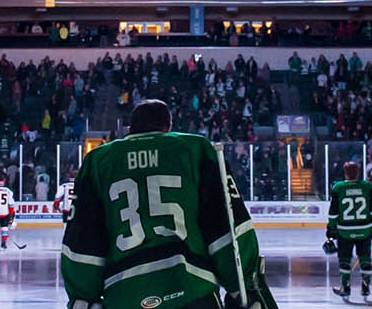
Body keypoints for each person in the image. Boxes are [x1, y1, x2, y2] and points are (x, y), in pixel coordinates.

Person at [61, 99, 277, 309]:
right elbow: (227, 226)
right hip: (193, 289)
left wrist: (84, 297)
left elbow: (83, 239)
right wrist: (242, 286)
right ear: (168, 126)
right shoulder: (195, 149)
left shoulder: (98, 161)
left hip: (124, 294)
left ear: (130, 128)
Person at [326, 161, 372, 300]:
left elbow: (333, 212)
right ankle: (366, 286)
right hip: (364, 230)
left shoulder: (338, 187)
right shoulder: (367, 186)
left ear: (345, 173)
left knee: (344, 259)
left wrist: (331, 229)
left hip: (344, 231)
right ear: (358, 173)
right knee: (365, 258)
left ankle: (345, 286)